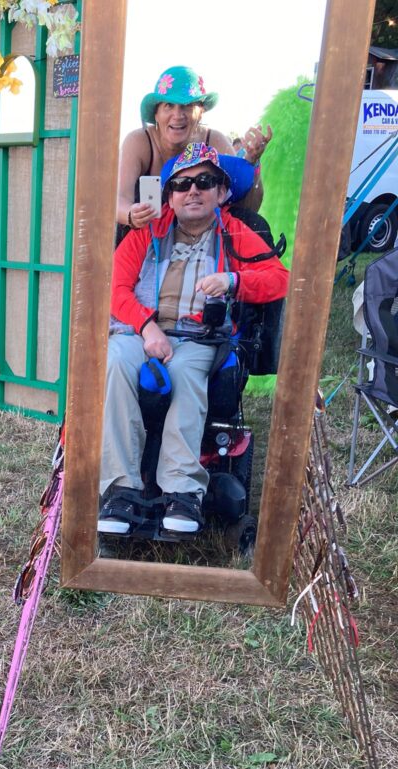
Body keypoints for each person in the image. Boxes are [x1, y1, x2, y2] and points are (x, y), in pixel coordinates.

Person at [98, 143, 289, 536]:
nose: (193, 191)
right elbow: (115, 289)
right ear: (169, 195)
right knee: (115, 359)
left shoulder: (235, 231)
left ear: (222, 192)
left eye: (205, 181)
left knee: (185, 370)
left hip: (200, 337)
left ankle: (183, 491)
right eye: (182, 184)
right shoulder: (147, 231)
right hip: (142, 331)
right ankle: (121, 489)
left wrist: (234, 280)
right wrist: (148, 328)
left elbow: (278, 278)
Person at [117, 66, 272, 232]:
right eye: (169, 105)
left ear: (201, 112)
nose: (178, 115)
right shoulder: (139, 142)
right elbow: (119, 199)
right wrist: (132, 215)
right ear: (156, 114)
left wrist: (252, 164)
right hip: (144, 236)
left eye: (187, 106)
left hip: (202, 240)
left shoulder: (214, 141)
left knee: (256, 225)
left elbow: (246, 209)